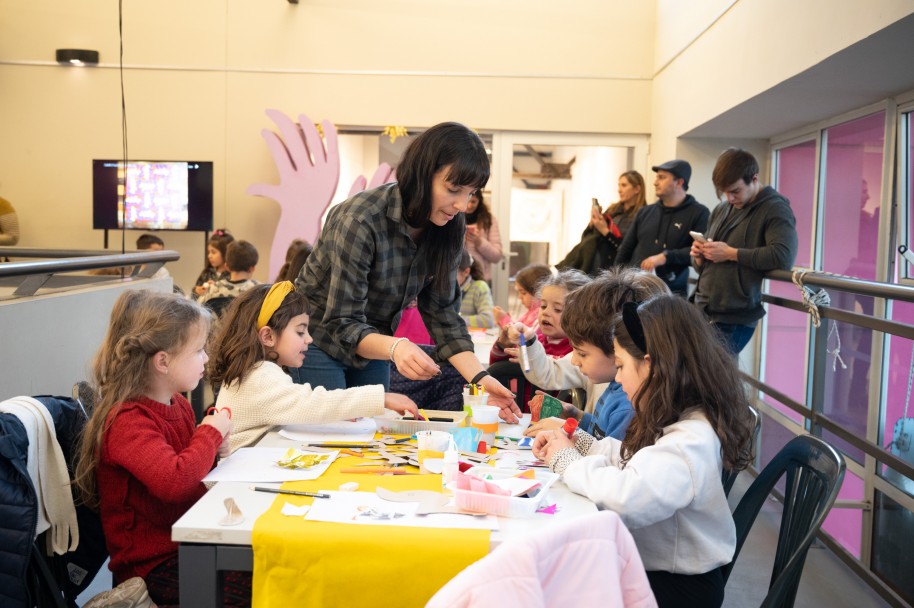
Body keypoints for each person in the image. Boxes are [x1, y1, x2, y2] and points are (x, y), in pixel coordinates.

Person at [532, 295, 754, 607]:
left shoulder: (691, 439)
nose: (618, 378)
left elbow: (627, 497)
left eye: (621, 366)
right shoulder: (683, 417)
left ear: (650, 364)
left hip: (678, 589)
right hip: (661, 570)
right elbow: (636, 462)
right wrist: (582, 445)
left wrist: (566, 461)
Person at [294, 122, 519, 421]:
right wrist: (397, 346)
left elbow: (443, 316)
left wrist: (480, 379)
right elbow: (341, 321)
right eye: (453, 190)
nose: (462, 205)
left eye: (471, 193)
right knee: (330, 434)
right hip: (316, 340)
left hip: (373, 344)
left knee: (370, 433)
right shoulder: (361, 218)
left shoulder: (449, 225)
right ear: (422, 175)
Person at [73, 290, 249, 607]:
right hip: (151, 566)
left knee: (270, 561)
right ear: (163, 361)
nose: (206, 358)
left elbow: (188, 470)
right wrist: (208, 435)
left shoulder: (177, 404)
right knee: (257, 584)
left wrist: (212, 451)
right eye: (198, 351)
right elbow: (175, 481)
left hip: (188, 540)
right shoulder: (126, 420)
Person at [207, 282, 418, 451]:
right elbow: (313, 403)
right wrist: (381, 398)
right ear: (268, 336)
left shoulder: (258, 370)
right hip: (235, 488)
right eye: (300, 332)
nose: (309, 339)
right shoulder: (260, 376)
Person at [521, 268, 670, 438]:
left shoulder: (628, 404)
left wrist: (569, 437)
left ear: (617, 348)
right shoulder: (616, 385)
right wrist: (574, 415)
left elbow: (610, 458)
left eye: (582, 354)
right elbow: (599, 430)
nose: (574, 361)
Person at [690, 148, 798, 354]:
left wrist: (731, 253)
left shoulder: (775, 208)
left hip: (735, 315)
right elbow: (704, 266)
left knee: (711, 380)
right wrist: (701, 255)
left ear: (754, 179)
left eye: (735, 191)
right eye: (725, 192)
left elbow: (783, 256)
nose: (730, 198)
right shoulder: (722, 209)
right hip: (703, 307)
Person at [490, 269, 590, 410]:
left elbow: (555, 369)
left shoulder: (579, 351)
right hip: (517, 413)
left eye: (557, 309)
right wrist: (502, 345)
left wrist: (532, 358)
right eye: (543, 306)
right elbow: (497, 371)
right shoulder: (533, 341)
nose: (546, 313)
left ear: (582, 316)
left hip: (555, 422)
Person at [615, 160, 709, 296]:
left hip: (670, 295)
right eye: (656, 177)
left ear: (679, 182)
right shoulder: (645, 212)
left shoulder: (699, 213)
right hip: (633, 290)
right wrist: (614, 281)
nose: (655, 182)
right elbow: (625, 250)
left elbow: (700, 250)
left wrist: (666, 256)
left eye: (662, 177)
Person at [558, 171, 648, 274]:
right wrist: (593, 223)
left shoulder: (642, 215)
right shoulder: (613, 210)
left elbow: (629, 249)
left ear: (637, 189)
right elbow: (587, 237)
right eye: (619, 185)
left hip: (615, 269)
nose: (619, 190)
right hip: (597, 261)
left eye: (624, 185)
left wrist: (605, 231)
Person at [197, 239, 260, 306]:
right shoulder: (260, 291)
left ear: (227, 266)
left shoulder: (212, 290)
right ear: (252, 269)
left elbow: (197, 311)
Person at [491, 262, 552, 330]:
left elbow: (520, 337)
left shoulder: (538, 316)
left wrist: (503, 319)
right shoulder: (532, 312)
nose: (520, 297)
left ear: (539, 292)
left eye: (523, 293)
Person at [463, 190, 503, 282]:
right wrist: (461, 238)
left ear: (479, 201)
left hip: (481, 278)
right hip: (457, 276)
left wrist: (479, 242)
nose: (469, 206)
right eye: (467, 200)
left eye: (473, 201)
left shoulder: (489, 220)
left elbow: (496, 256)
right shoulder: (451, 217)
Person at [457, 250, 495, 329]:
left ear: (466, 272)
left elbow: (488, 320)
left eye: (451, 274)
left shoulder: (479, 287)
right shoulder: (443, 289)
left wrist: (454, 320)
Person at [192, 228, 234, 297]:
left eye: (213, 252)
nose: (209, 256)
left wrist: (216, 287)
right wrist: (196, 291)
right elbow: (193, 299)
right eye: (208, 252)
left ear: (226, 253)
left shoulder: (232, 275)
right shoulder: (207, 273)